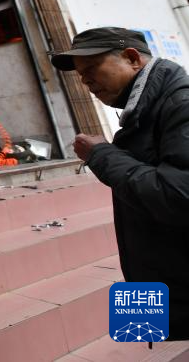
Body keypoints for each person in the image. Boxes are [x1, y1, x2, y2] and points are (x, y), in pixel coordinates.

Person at [51, 27, 189, 340]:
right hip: (163, 269)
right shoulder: (141, 111)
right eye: (81, 76)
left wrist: (100, 154)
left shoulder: (180, 103)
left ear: (131, 58)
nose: (86, 82)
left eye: (91, 69)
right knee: (141, 333)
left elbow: (178, 196)